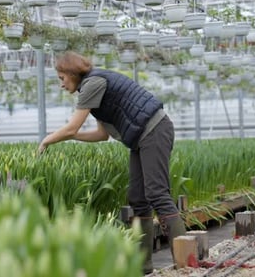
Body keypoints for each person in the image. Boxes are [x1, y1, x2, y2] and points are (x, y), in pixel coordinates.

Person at [38, 51, 186, 274]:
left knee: (157, 193)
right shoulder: (93, 88)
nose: (61, 85)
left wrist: (47, 140)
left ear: (71, 73)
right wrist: (72, 136)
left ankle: (185, 263)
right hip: (141, 137)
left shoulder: (92, 84)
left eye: (61, 78)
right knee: (138, 199)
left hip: (154, 130)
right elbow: (101, 135)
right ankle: (143, 267)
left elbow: (72, 126)